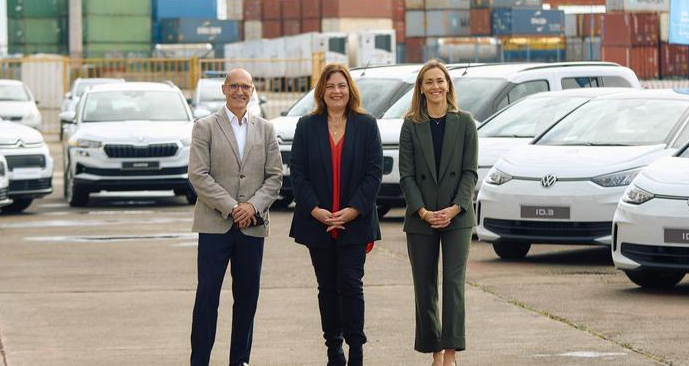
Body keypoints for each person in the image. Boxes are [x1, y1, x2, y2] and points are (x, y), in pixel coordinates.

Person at [289, 63, 383, 366]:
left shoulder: (367, 125)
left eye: (341, 85)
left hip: (355, 223)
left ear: (350, 89)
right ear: (322, 91)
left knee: (351, 284)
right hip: (318, 223)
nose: (336, 91)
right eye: (330, 86)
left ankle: (356, 350)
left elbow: (374, 174)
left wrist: (353, 210)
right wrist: (315, 210)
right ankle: (334, 350)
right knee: (327, 288)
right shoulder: (307, 125)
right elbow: (298, 174)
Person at [188, 68, 283, 366]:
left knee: (246, 299)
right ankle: (199, 359)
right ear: (224, 89)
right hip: (215, 225)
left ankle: (240, 360)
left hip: (252, 229)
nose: (240, 92)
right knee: (207, 297)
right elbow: (198, 175)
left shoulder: (265, 129)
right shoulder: (204, 127)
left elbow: (275, 177)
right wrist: (232, 207)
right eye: (234, 86)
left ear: (253, 90)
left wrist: (252, 207)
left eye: (246, 87)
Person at [398, 60, 478, 366]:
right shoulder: (411, 124)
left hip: (457, 216)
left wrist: (455, 208)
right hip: (421, 217)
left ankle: (450, 354)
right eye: (429, 82)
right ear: (421, 88)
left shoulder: (466, 122)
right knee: (425, 285)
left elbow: (469, 172)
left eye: (440, 81)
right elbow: (406, 175)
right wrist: (422, 211)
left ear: (448, 85)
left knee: (453, 285)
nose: (435, 87)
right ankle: (433, 351)